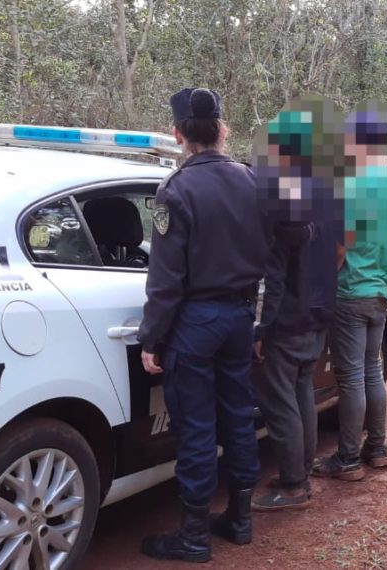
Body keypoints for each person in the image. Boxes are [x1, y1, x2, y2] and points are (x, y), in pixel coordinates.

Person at [137, 87, 271, 563]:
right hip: (238, 317)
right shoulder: (254, 181)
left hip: (195, 322)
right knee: (237, 417)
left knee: (196, 428)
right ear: (222, 130)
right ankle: (239, 519)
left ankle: (193, 538)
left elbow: (165, 278)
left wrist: (151, 338)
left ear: (178, 134)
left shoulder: (175, 191)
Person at [312, 111, 387, 480]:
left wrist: (321, 283)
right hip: (381, 290)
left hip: (351, 290)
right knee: (371, 371)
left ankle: (347, 458)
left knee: (350, 378)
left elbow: (339, 246)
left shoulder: (354, 185)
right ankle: (376, 448)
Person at [249, 216, 338, 510]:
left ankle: (292, 486)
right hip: (316, 318)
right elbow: (339, 252)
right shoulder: (327, 204)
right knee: (302, 398)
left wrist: (259, 328)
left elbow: (269, 277)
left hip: (285, 324)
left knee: (281, 404)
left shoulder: (281, 212)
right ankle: (301, 474)